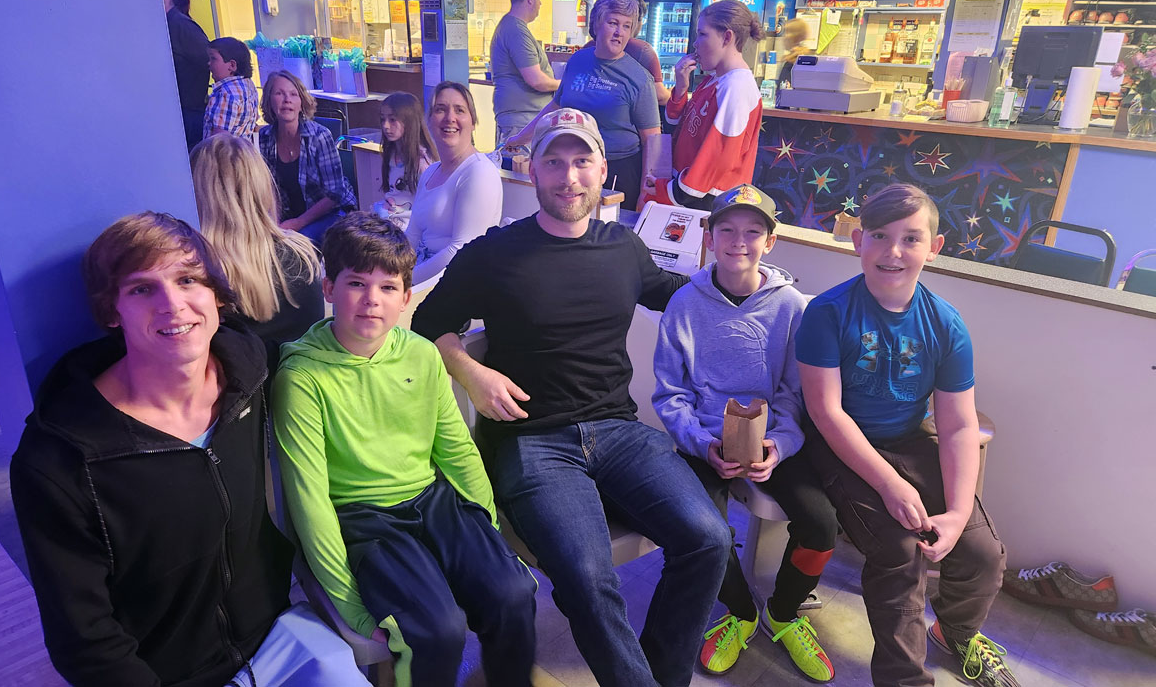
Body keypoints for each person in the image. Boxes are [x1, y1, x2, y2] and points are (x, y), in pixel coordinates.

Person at [412, 108, 731, 687]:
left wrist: (759, 280)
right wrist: (469, 371)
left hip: (618, 431)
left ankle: (663, 673)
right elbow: (426, 322)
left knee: (709, 539)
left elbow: (684, 297)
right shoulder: (493, 252)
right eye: (554, 161)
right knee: (587, 576)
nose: (569, 177)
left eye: (582, 160)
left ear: (603, 170)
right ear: (531, 170)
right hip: (530, 442)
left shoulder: (625, 248)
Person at [10, 212, 368, 687]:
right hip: (166, 673)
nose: (173, 305)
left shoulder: (250, 374)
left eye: (188, 280)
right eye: (142, 289)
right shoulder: (61, 461)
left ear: (217, 294)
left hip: (278, 633)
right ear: (111, 311)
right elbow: (84, 640)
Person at [272, 213, 537, 686]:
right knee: (438, 629)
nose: (372, 301)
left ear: (406, 298)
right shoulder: (301, 378)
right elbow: (308, 501)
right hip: (362, 516)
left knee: (513, 592)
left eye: (388, 287)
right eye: (357, 283)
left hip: (432, 500)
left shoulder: (421, 353)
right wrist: (351, 608)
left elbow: (457, 450)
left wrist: (488, 533)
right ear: (329, 289)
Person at [796, 184, 1016, 687]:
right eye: (880, 235)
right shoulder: (827, 314)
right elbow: (827, 414)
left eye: (911, 239)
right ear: (858, 242)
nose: (893, 252)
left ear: (933, 249)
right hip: (841, 447)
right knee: (900, 552)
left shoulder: (945, 324)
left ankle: (955, 632)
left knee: (981, 553)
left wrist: (959, 514)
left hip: (910, 439)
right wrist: (890, 485)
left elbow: (958, 423)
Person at [652, 185, 838, 680]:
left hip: (773, 440)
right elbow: (670, 395)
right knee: (701, 532)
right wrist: (702, 444)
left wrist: (780, 444)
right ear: (709, 237)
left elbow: (796, 394)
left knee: (821, 525)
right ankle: (740, 611)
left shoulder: (792, 307)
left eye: (753, 232)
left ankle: (783, 610)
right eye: (727, 230)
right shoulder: (684, 305)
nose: (740, 241)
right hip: (704, 440)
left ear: (770, 242)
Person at [506, 0, 661, 211]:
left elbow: (652, 142)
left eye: (627, 26)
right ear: (597, 23)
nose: (619, 32)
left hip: (618, 172)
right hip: (572, 165)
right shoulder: (578, 60)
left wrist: (647, 194)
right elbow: (555, 108)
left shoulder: (639, 79)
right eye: (613, 23)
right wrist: (522, 138)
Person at [191, 132, 324, 369]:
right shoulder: (303, 252)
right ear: (262, 185)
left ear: (199, 193)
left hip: (242, 399)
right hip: (305, 383)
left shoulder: (200, 273)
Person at [643, 0, 765, 211]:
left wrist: (669, 190)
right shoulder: (714, 79)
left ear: (727, 37)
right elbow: (677, 128)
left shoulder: (736, 87)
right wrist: (681, 88)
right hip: (690, 193)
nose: (695, 43)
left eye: (702, 34)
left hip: (708, 202)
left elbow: (717, 158)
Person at [405, 81, 502, 286]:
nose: (450, 118)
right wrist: (390, 270)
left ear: (473, 122)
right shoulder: (431, 171)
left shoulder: (479, 172)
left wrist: (404, 282)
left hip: (452, 287)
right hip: (419, 281)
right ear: (429, 120)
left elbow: (461, 249)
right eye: (441, 109)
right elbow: (411, 237)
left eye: (460, 110)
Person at [258, 70, 351, 245]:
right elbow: (267, 189)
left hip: (328, 214)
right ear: (269, 101)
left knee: (293, 246)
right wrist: (274, 224)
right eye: (279, 93)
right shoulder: (263, 138)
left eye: (293, 94)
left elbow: (335, 195)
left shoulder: (319, 136)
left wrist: (298, 223)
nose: (287, 100)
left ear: (301, 102)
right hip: (287, 217)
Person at [489, 0, 559, 146]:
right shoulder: (516, 31)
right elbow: (536, 80)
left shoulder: (510, 26)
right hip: (522, 121)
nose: (540, 4)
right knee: (521, 170)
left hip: (521, 118)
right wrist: (563, 85)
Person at [584, 0, 671, 106]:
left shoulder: (586, 49)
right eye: (613, 23)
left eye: (625, 25)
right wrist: (671, 94)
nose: (619, 32)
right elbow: (660, 96)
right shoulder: (642, 50)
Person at [159, 0, 209, 149]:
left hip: (189, 114)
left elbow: (210, 60)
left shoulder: (180, 25)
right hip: (178, 113)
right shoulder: (165, 24)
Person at [372, 91, 436, 231]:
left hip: (410, 225)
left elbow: (431, 207)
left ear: (409, 121)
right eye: (383, 119)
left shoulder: (422, 163)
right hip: (388, 216)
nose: (386, 126)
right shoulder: (390, 154)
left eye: (393, 119)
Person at [204, 36, 260, 140]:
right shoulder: (249, 85)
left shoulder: (226, 94)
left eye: (213, 58)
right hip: (243, 152)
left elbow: (219, 138)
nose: (209, 63)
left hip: (222, 154)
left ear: (232, 66)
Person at [777, 17, 810, 90]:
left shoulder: (793, 64)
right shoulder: (803, 60)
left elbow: (783, 92)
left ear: (793, 37)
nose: (783, 37)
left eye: (786, 33)